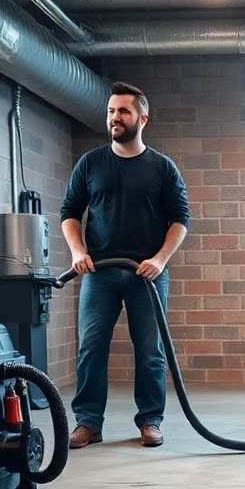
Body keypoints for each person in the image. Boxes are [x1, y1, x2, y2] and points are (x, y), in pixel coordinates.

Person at [59, 81, 191, 449]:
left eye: (123, 111)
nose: (115, 118)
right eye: (111, 111)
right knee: (91, 349)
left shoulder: (161, 167)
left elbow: (181, 219)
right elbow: (69, 212)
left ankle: (150, 421)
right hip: (99, 274)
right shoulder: (91, 163)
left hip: (145, 276)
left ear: (142, 118)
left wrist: (160, 260)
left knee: (150, 351)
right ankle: (88, 423)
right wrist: (77, 251)